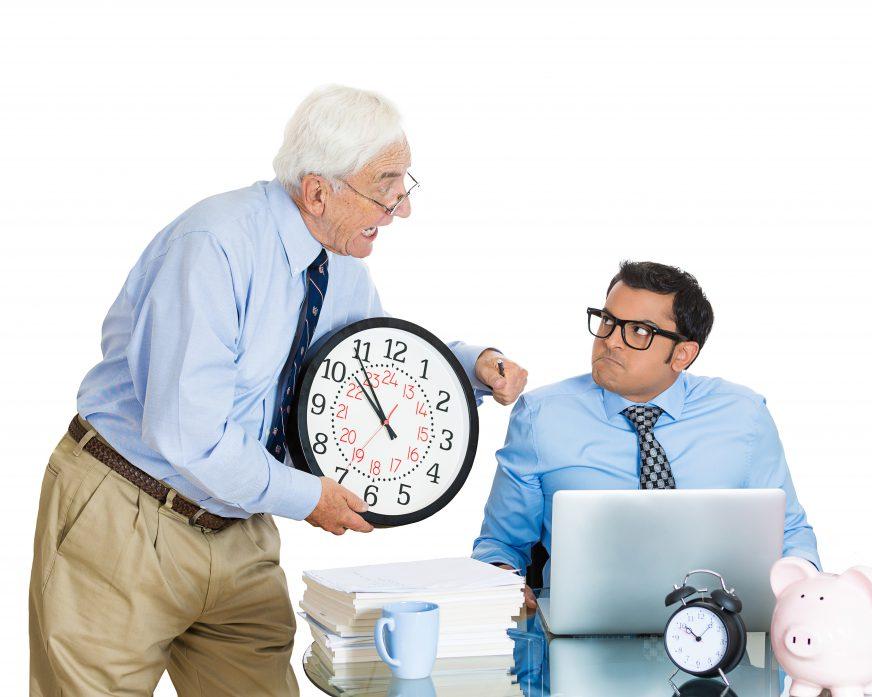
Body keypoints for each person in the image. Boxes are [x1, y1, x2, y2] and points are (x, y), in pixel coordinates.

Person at [29, 85, 528, 696]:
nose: (402, 208)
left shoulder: (342, 269)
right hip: (130, 513)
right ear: (319, 190)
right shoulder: (213, 246)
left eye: (405, 184)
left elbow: (366, 374)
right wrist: (306, 496)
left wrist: (471, 368)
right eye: (387, 187)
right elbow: (188, 434)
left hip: (240, 525)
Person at [471, 260, 818, 608]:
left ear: (682, 354)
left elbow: (789, 534)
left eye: (638, 331)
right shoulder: (540, 416)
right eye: (608, 321)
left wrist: (808, 597)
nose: (611, 342)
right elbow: (500, 545)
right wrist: (501, 579)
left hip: (720, 631)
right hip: (586, 633)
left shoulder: (744, 417)